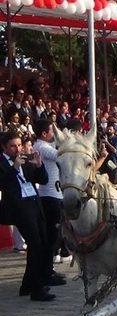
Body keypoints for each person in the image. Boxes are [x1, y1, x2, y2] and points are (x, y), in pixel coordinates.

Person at [0, 131, 56, 301]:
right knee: (35, 245)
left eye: (19, 145)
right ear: (3, 147)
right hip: (18, 208)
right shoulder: (2, 162)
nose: (17, 149)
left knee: (42, 243)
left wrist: (39, 165)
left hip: (34, 204)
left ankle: (28, 284)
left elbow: (43, 180)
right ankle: (36, 289)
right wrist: (14, 167)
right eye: (12, 146)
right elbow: (3, 183)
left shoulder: (25, 159)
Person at [34, 120, 70, 268]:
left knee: (57, 232)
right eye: (52, 131)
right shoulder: (40, 146)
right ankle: (47, 268)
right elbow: (61, 155)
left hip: (56, 194)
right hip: (49, 196)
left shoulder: (46, 145)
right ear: (44, 133)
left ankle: (50, 269)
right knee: (51, 234)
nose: (54, 134)